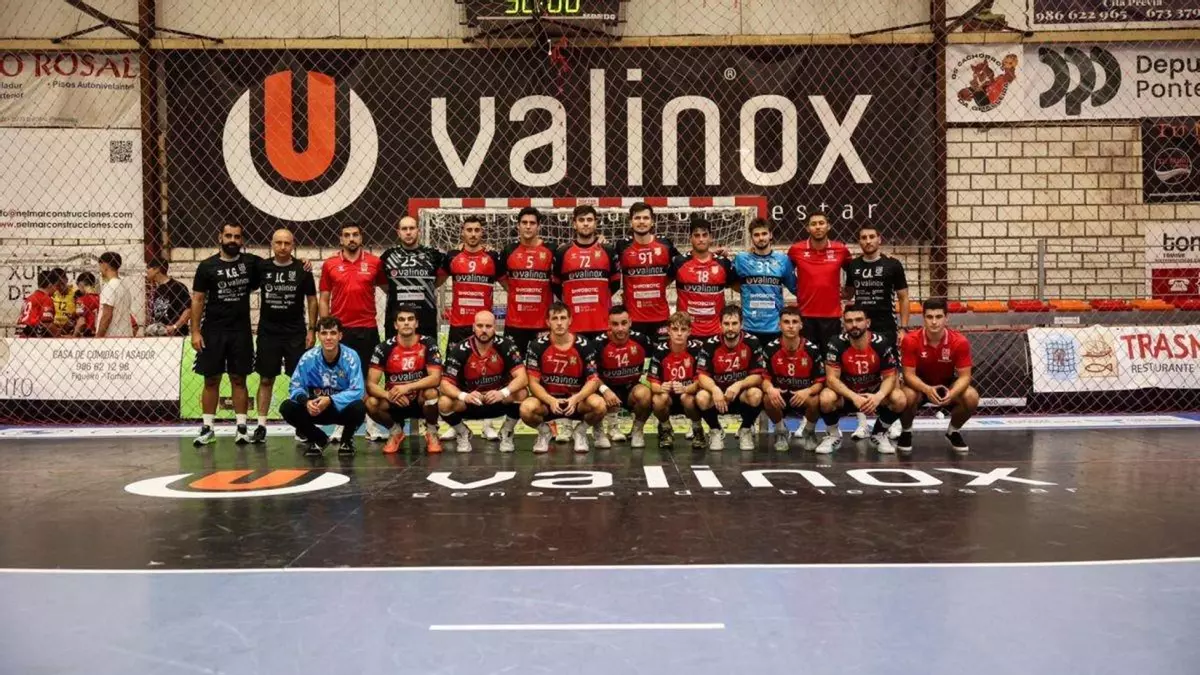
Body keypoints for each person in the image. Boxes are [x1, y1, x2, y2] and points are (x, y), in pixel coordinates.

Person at [190, 225, 259, 446]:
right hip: (213, 331)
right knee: (211, 379)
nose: (232, 240)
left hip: (240, 332)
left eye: (237, 237)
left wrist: (303, 262)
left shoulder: (251, 263)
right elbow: (198, 299)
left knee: (239, 379)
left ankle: (242, 428)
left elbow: (277, 264)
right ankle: (208, 428)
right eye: (228, 235)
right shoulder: (206, 266)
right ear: (220, 237)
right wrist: (195, 331)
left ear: (242, 240)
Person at [320, 222, 387, 441]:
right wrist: (326, 327)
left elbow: (389, 289)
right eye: (347, 235)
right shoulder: (330, 264)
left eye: (355, 235)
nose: (351, 238)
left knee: (368, 378)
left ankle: (371, 425)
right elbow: (324, 298)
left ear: (361, 237)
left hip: (367, 327)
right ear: (341, 239)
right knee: (340, 378)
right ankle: (340, 425)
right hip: (341, 331)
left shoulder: (375, 263)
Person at [842, 224, 910, 441]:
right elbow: (848, 293)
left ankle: (892, 423)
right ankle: (862, 425)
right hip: (859, 326)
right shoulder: (853, 266)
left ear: (879, 239)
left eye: (872, 237)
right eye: (863, 237)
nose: (868, 240)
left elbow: (903, 297)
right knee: (858, 373)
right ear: (859, 241)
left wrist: (903, 327)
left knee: (891, 373)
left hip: (886, 325)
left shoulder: (892, 265)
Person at [253, 227, 318, 443]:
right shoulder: (261, 267)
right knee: (265, 379)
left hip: (295, 333)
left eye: (287, 243)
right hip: (268, 333)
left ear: (293, 245)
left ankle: (302, 425)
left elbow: (312, 300)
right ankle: (261, 425)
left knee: (298, 380)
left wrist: (312, 329)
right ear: (272, 244)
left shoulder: (302, 268)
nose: (282, 247)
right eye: (278, 243)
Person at [816, 304, 906, 455]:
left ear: (868, 322)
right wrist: (854, 397)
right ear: (844, 324)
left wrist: (878, 397)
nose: (854, 325)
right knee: (826, 397)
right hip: (847, 396)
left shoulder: (881, 342)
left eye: (859, 320)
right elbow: (831, 379)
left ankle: (879, 434)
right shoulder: (836, 343)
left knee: (899, 398)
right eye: (849, 321)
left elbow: (890, 376)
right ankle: (833, 435)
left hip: (873, 395)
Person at [519, 302, 607, 454]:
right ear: (548, 322)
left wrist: (576, 398)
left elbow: (593, 380)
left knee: (599, 405)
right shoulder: (537, 345)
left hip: (576, 401)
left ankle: (580, 431)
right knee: (526, 409)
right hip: (548, 402)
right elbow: (533, 382)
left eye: (563, 318)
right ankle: (544, 432)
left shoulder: (584, 345)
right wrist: (550, 400)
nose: (559, 323)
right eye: (555, 318)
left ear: (570, 320)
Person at [438, 310, 527, 454]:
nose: (484, 330)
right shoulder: (460, 349)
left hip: (497, 399)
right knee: (444, 402)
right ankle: (462, 433)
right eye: (480, 326)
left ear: (495, 327)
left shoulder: (506, 345)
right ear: (473, 327)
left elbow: (522, 377)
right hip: (471, 402)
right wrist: (464, 396)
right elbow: (444, 384)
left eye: (488, 326)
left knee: (521, 393)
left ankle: (507, 432)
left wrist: (503, 393)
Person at [898, 298, 979, 454]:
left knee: (971, 396)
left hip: (946, 386)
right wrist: (927, 390)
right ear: (923, 318)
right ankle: (906, 431)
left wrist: (952, 393)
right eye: (929, 317)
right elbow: (908, 375)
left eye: (938, 317)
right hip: (919, 386)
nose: (934, 322)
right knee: (906, 395)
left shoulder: (959, 341)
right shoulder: (910, 340)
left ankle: (953, 431)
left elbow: (965, 377)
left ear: (946, 317)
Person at [280, 316, 366, 456]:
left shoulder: (351, 357)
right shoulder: (308, 358)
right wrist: (306, 402)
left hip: (340, 409)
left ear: (340, 336)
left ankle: (346, 441)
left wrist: (330, 399)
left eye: (333, 333)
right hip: (316, 408)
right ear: (318, 336)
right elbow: (295, 386)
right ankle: (319, 439)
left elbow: (358, 390)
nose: (328, 338)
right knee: (287, 407)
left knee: (359, 407)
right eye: (324, 333)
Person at [365, 305, 444, 454]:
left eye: (410, 319)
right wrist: (387, 395)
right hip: (396, 400)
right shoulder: (384, 348)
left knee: (432, 393)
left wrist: (407, 387)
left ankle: (432, 432)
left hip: (420, 401)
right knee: (370, 402)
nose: (406, 323)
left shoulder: (428, 343)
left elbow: (436, 378)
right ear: (396, 325)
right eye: (401, 320)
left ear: (416, 323)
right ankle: (395, 432)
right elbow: (370, 384)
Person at [696, 306, 765, 451]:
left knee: (756, 394)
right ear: (720, 325)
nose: (730, 328)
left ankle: (745, 429)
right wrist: (714, 389)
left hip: (741, 395)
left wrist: (739, 384)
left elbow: (758, 376)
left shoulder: (752, 342)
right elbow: (701, 376)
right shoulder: (710, 344)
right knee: (701, 397)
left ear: (741, 324)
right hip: (718, 397)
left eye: (734, 323)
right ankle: (715, 430)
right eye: (726, 324)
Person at [761, 307, 825, 453]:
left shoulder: (811, 349)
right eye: (786, 322)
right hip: (781, 396)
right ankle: (781, 431)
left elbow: (820, 381)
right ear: (779, 325)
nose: (790, 326)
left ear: (801, 325)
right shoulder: (771, 348)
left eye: (795, 322)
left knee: (816, 399)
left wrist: (808, 391)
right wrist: (770, 389)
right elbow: (764, 378)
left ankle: (809, 431)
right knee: (767, 398)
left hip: (802, 395)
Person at [612, 202, 680, 339]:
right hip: (633, 318)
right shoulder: (622, 246)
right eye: (637, 218)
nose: (641, 222)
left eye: (645, 218)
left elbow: (682, 265)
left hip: (660, 316)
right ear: (631, 222)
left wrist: (662, 283)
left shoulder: (665, 244)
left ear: (652, 221)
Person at [590, 305, 654, 449]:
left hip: (631, 389)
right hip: (606, 389)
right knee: (592, 397)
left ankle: (637, 431)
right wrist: (605, 389)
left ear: (630, 322)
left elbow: (654, 364)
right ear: (608, 324)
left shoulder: (642, 340)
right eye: (615, 324)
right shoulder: (597, 344)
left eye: (624, 323)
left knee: (646, 394)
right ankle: (603, 429)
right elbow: (591, 373)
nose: (620, 328)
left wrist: (645, 379)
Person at [553, 205, 620, 339]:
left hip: (602, 324)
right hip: (573, 325)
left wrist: (600, 300)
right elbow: (555, 285)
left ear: (595, 223)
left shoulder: (608, 250)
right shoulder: (562, 252)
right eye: (581, 220)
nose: (585, 223)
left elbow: (615, 283)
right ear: (574, 224)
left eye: (589, 220)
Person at [787, 211, 851, 350]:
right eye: (813, 224)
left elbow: (853, 270)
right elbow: (785, 272)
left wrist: (849, 291)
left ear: (828, 226)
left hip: (832, 317)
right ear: (807, 228)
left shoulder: (840, 249)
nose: (817, 227)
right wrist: (797, 289)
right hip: (805, 316)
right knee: (807, 359)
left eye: (821, 223)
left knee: (831, 358)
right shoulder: (796, 250)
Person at [378, 215, 446, 342]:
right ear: (398, 232)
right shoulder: (388, 256)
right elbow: (383, 283)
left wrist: (427, 286)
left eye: (412, 228)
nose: (408, 232)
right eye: (404, 229)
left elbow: (441, 278)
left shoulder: (433, 254)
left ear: (418, 231)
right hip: (396, 320)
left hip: (426, 319)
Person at [499, 206, 555, 355]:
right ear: (518, 225)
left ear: (539, 226)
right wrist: (513, 290)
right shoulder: (509, 250)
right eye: (524, 222)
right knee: (513, 365)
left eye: (532, 223)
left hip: (542, 323)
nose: (528, 226)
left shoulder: (551, 249)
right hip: (515, 323)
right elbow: (500, 276)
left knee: (542, 365)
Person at [731, 218, 796, 346]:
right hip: (749, 326)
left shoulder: (783, 260)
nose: (761, 238)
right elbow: (729, 282)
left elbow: (795, 288)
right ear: (751, 237)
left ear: (770, 235)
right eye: (756, 235)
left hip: (774, 327)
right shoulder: (741, 259)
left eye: (764, 234)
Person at [647, 312, 705, 450]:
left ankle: (698, 430)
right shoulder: (660, 351)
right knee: (658, 399)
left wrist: (686, 389)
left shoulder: (697, 349)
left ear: (689, 331)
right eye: (675, 329)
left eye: (683, 329)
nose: (679, 334)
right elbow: (653, 383)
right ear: (669, 331)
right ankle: (665, 429)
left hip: (688, 395)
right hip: (668, 398)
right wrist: (661, 387)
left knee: (687, 398)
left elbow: (701, 381)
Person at [442, 216, 502, 346]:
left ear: (482, 232)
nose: (473, 234)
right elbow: (438, 281)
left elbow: (508, 285)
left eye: (476, 230)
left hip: (483, 325)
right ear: (462, 232)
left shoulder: (492, 257)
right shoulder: (452, 256)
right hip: (458, 324)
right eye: (469, 230)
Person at [671, 218, 733, 341]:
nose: (701, 239)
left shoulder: (723, 263)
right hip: (686, 331)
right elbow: (661, 283)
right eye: (696, 235)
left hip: (716, 331)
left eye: (704, 235)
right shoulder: (679, 262)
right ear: (690, 238)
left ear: (711, 237)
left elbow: (740, 287)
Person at [145, 258, 192, 337]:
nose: (146, 271)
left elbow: (188, 310)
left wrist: (175, 327)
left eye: (148, 268)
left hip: (177, 336)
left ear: (157, 269)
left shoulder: (177, 286)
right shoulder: (157, 290)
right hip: (160, 335)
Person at [96, 252, 133, 338]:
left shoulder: (110, 286)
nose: (100, 269)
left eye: (100, 265)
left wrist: (98, 338)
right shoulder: (124, 286)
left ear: (104, 265)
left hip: (112, 337)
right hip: (126, 334)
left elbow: (107, 316)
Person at [17, 270, 59, 338]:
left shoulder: (29, 298)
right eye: (56, 286)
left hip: (20, 333)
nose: (56, 289)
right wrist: (59, 335)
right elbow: (47, 323)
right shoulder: (46, 299)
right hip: (32, 334)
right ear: (50, 285)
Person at [72, 272, 100, 337]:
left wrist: (74, 335)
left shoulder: (81, 300)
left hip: (86, 333)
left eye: (78, 285)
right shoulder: (101, 298)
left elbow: (81, 321)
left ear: (81, 284)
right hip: (98, 331)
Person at [49, 267, 75, 333]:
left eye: (62, 283)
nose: (61, 287)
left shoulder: (75, 293)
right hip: (53, 327)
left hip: (71, 326)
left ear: (66, 279)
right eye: (58, 285)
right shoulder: (51, 293)